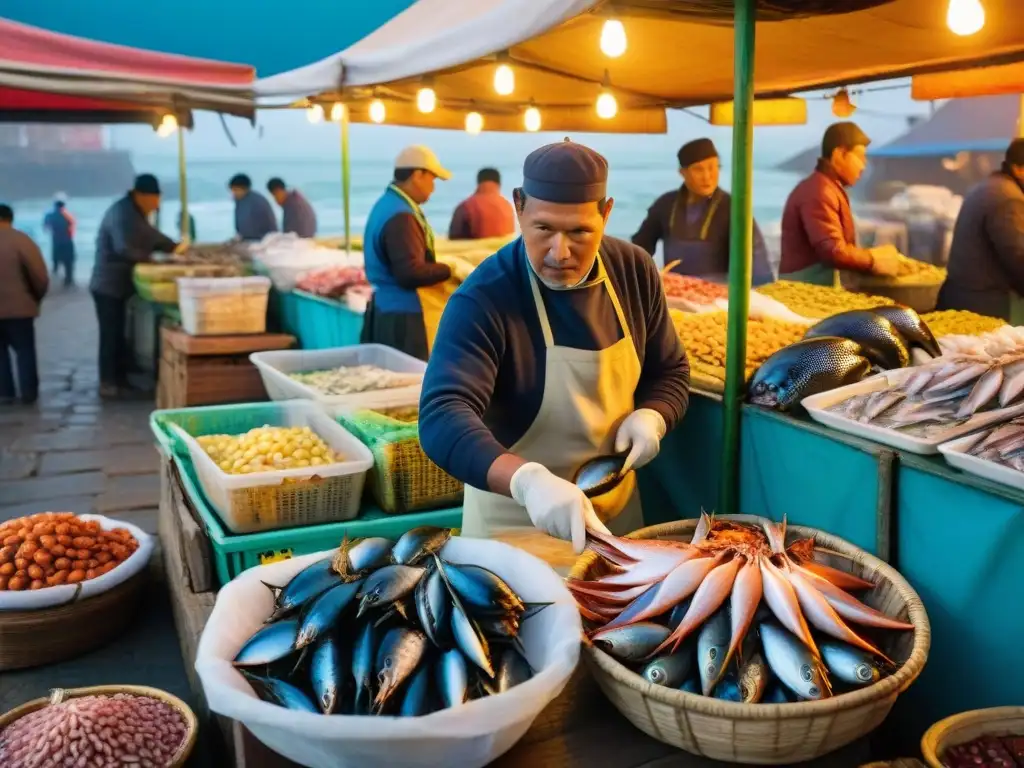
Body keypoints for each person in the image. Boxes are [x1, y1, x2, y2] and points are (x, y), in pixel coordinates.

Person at [419, 139, 691, 553]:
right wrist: (527, 481)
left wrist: (655, 414)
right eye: (543, 229)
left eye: (580, 232)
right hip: (515, 531)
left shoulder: (634, 271)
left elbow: (669, 370)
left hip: (615, 523)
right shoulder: (484, 298)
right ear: (519, 208)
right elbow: (442, 417)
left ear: (607, 212)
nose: (560, 253)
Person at [91, 174, 184, 399]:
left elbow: (150, 234)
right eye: (155, 201)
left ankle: (120, 379)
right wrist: (155, 259)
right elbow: (123, 248)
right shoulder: (123, 213)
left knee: (119, 334)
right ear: (143, 196)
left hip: (118, 285)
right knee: (110, 335)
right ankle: (109, 383)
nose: (156, 206)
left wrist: (172, 247)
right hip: (108, 285)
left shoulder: (132, 211)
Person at [632, 139, 774, 285]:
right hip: (675, 292)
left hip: (719, 296)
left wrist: (761, 292)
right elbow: (639, 248)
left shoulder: (734, 208)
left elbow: (756, 259)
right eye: (698, 169)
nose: (707, 176)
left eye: (713, 167)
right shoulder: (665, 204)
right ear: (682, 173)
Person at [359, 145, 453, 361]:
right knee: (408, 384)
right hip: (402, 318)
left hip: (387, 310)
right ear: (417, 174)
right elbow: (410, 273)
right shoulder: (401, 216)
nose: (433, 188)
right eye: (432, 179)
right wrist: (450, 270)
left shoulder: (387, 204)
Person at [779, 121, 901, 284]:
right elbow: (833, 251)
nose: (863, 165)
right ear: (838, 155)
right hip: (805, 292)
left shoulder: (828, 187)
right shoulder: (819, 191)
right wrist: (874, 259)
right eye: (859, 157)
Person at [937, 139, 1024, 322]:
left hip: (964, 297)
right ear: (1019, 169)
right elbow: (1019, 257)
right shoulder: (1008, 198)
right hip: (981, 305)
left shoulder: (993, 185)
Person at [0, 204, 49, 405]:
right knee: (25, 350)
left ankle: (4, 392)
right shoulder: (22, 240)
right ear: (10, 218)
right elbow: (39, 275)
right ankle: (29, 393)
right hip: (20, 308)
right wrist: (35, 297)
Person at [448, 167, 516, 240]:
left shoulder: (465, 206)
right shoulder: (508, 206)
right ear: (499, 184)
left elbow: (453, 237)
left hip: (475, 249)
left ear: (478, 183)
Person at [229, 174, 278, 241]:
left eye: (235, 190)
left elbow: (270, 227)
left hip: (263, 240)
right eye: (232, 190)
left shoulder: (258, 202)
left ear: (245, 189)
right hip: (247, 239)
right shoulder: (239, 201)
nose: (233, 193)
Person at [42, 193, 77, 287]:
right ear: (64, 206)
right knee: (69, 262)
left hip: (56, 241)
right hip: (67, 241)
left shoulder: (49, 215)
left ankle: (54, 282)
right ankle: (69, 281)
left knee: (56, 262)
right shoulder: (68, 215)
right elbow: (73, 226)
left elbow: (45, 227)